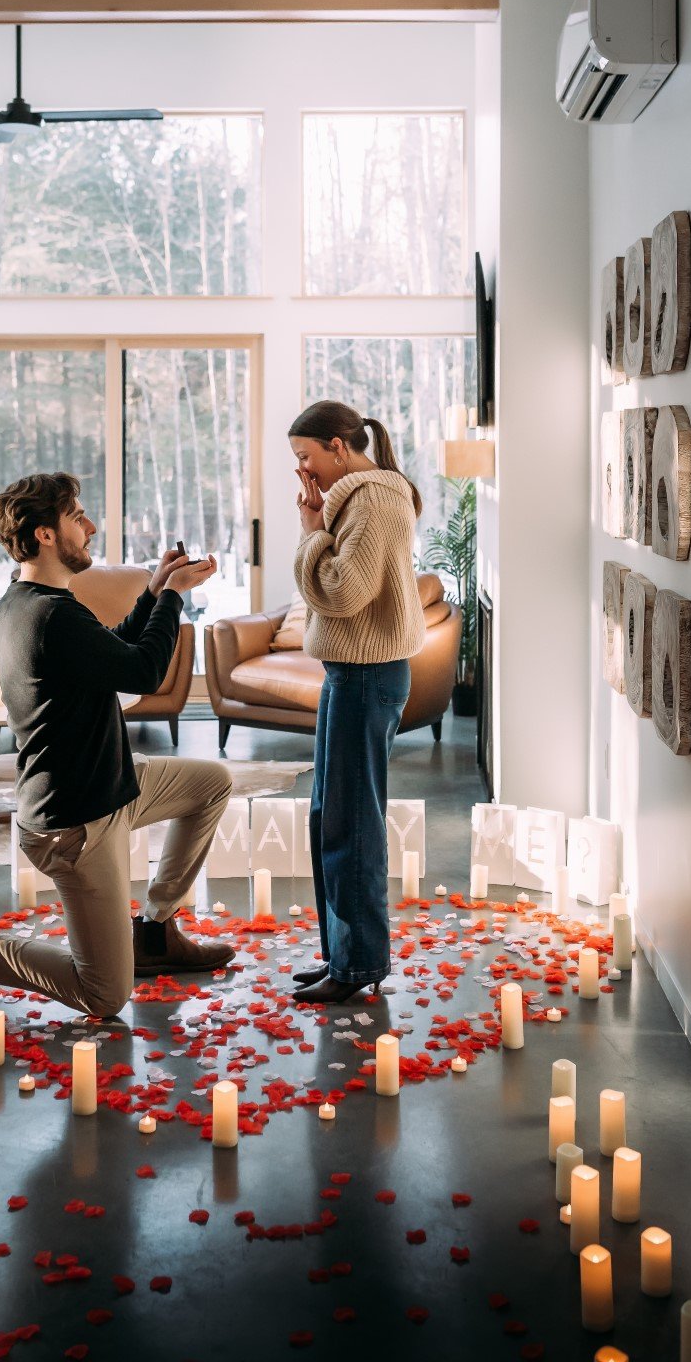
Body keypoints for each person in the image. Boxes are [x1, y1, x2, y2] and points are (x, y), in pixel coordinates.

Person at [0, 472, 235, 1017]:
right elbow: (145, 671)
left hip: (110, 781)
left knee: (212, 783)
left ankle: (154, 930)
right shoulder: (49, 616)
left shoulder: (27, 601)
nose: (90, 526)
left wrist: (156, 588)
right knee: (104, 994)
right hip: (77, 823)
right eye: (77, 516)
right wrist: (175, 598)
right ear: (43, 533)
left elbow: (111, 653)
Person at [286, 401, 426, 1005]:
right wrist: (318, 524)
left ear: (339, 447)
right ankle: (343, 956)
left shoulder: (374, 499)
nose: (304, 470)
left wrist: (311, 534)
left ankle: (359, 963)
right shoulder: (360, 498)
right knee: (330, 817)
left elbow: (344, 593)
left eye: (306, 457)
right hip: (352, 672)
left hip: (366, 676)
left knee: (351, 826)